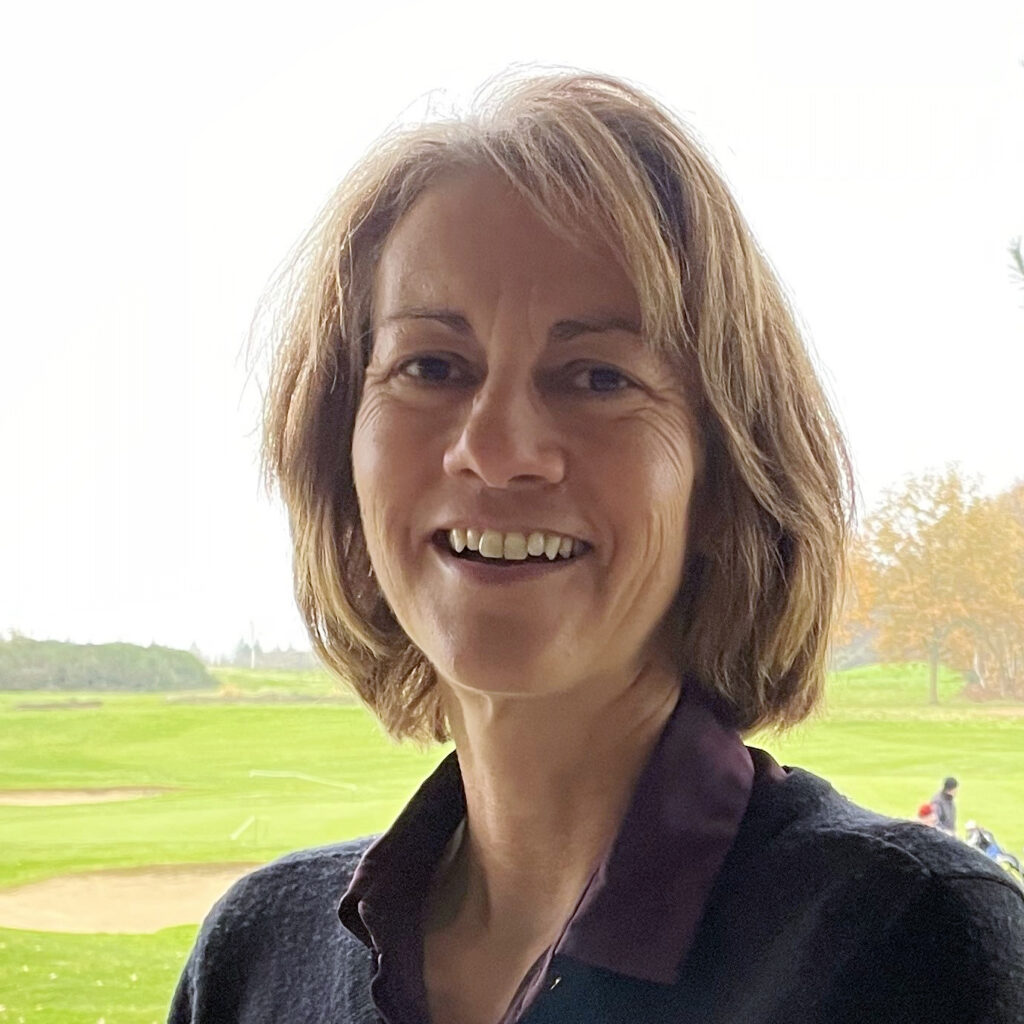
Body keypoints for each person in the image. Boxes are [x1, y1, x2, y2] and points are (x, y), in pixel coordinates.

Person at [169, 72, 1024, 1023]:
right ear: (343, 447)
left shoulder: (909, 946)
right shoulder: (254, 960)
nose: (496, 449)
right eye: (432, 366)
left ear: (723, 474)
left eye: (597, 377)